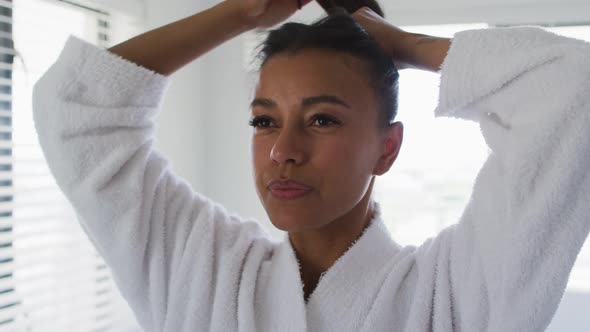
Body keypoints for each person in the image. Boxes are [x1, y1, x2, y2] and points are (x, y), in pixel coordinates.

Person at [31, 0, 590, 330]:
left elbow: (574, 93)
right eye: (264, 121)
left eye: (322, 120)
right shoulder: (200, 268)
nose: (282, 151)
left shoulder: (453, 293)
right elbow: (76, 109)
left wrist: (405, 44)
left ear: (387, 149)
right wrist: (241, 12)